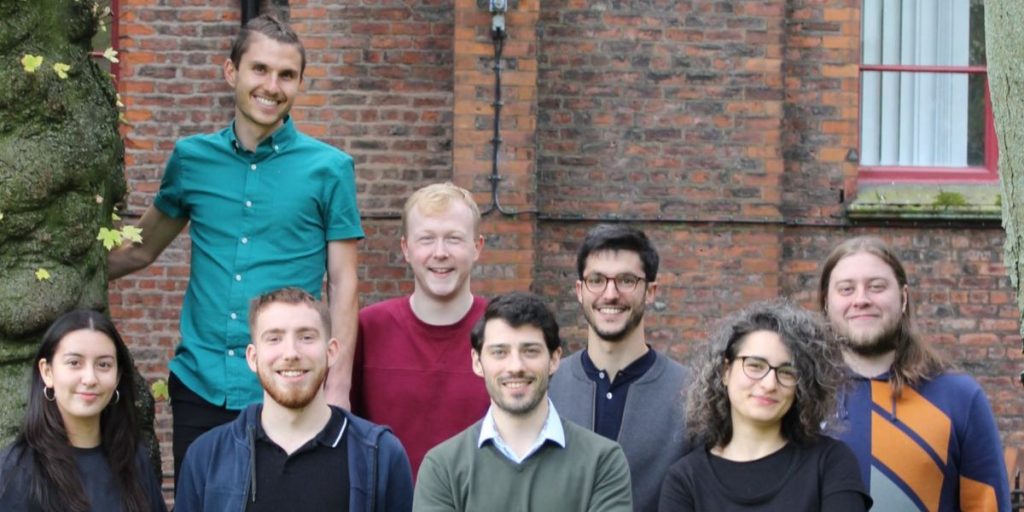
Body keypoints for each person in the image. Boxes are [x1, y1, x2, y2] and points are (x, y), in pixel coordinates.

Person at [107, 14, 364, 482]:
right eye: (260, 69)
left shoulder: (330, 169)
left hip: (288, 384)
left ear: (300, 83)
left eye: (287, 75)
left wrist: (338, 385)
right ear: (232, 72)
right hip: (201, 383)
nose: (272, 85)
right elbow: (140, 250)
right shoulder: (191, 160)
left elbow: (345, 283)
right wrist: (57, 265)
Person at [175, 288, 412, 512]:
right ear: (252, 358)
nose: (291, 353)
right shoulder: (207, 456)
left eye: (306, 337)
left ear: (331, 352)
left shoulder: (380, 455)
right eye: (274, 338)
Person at [819, 236, 1010, 511]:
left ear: (904, 297)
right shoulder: (801, 396)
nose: (861, 299)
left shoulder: (959, 398)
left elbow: (988, 505)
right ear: (827, 302)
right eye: (846, 289)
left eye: (876, 287)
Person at [414, 292, 633, 512]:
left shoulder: (602, 461)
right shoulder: (442, 467)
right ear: (477, 362)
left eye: (530, 351)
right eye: (500, 352)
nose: (516, 366)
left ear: (555, 359)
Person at [658, 300, 870, 511]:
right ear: (725, 371)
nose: (769, 384)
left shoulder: (830, 462)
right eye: (755, 366)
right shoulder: (686, 480)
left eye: (787, 372)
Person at [350, 182, 489, 475]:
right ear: (406, 248)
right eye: (426, 239)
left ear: (477, 247)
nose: (440, 252)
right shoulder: (368, 328)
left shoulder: (502, 329)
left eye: (454, 239)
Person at [550, 224, 688, 512]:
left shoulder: (690, 393)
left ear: (650, 291)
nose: (610, 294)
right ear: (580, 290)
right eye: (597, 280)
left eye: (626, 280)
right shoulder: (546, 386)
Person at [0, 310, 167, 512]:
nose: (90, 378)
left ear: (118, 375)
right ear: (47, 372)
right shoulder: (16, 470)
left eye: (103, 365)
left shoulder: (134, 460)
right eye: (74, 363)